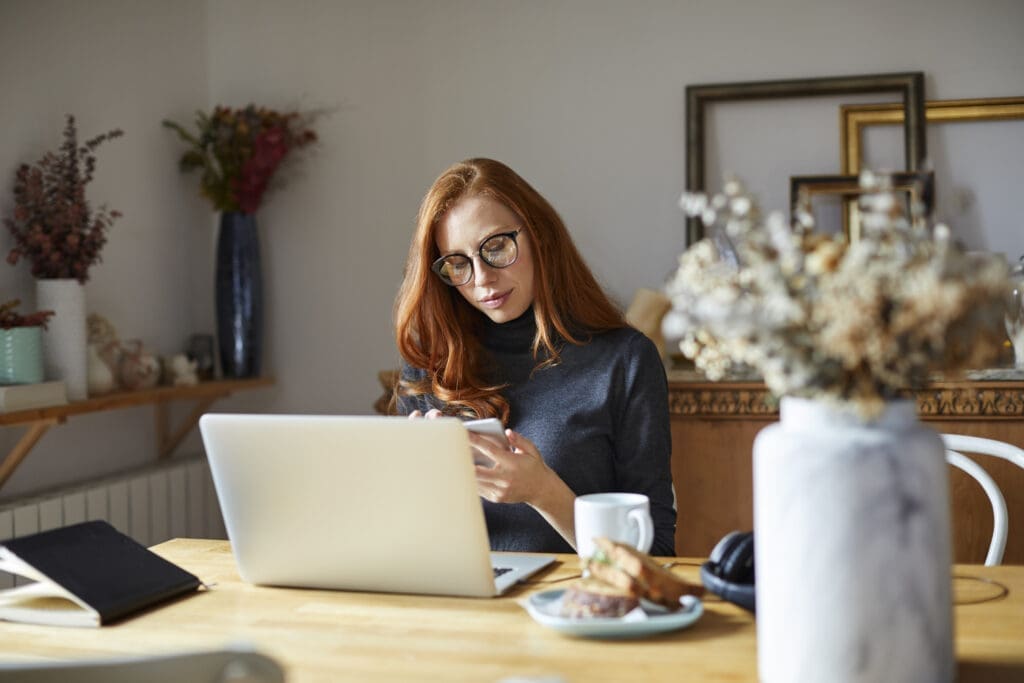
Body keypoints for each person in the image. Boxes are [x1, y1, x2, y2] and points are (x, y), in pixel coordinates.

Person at [393, 158, 675, 555]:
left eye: (496, 246)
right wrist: (413, 482)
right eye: (457, 263)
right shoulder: (430, 368)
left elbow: (657, 556)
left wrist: (544, 492)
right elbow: (407, 546)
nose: (482, 278)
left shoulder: (624, 361)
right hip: (461, 607)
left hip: (574, 606)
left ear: (539, 235)